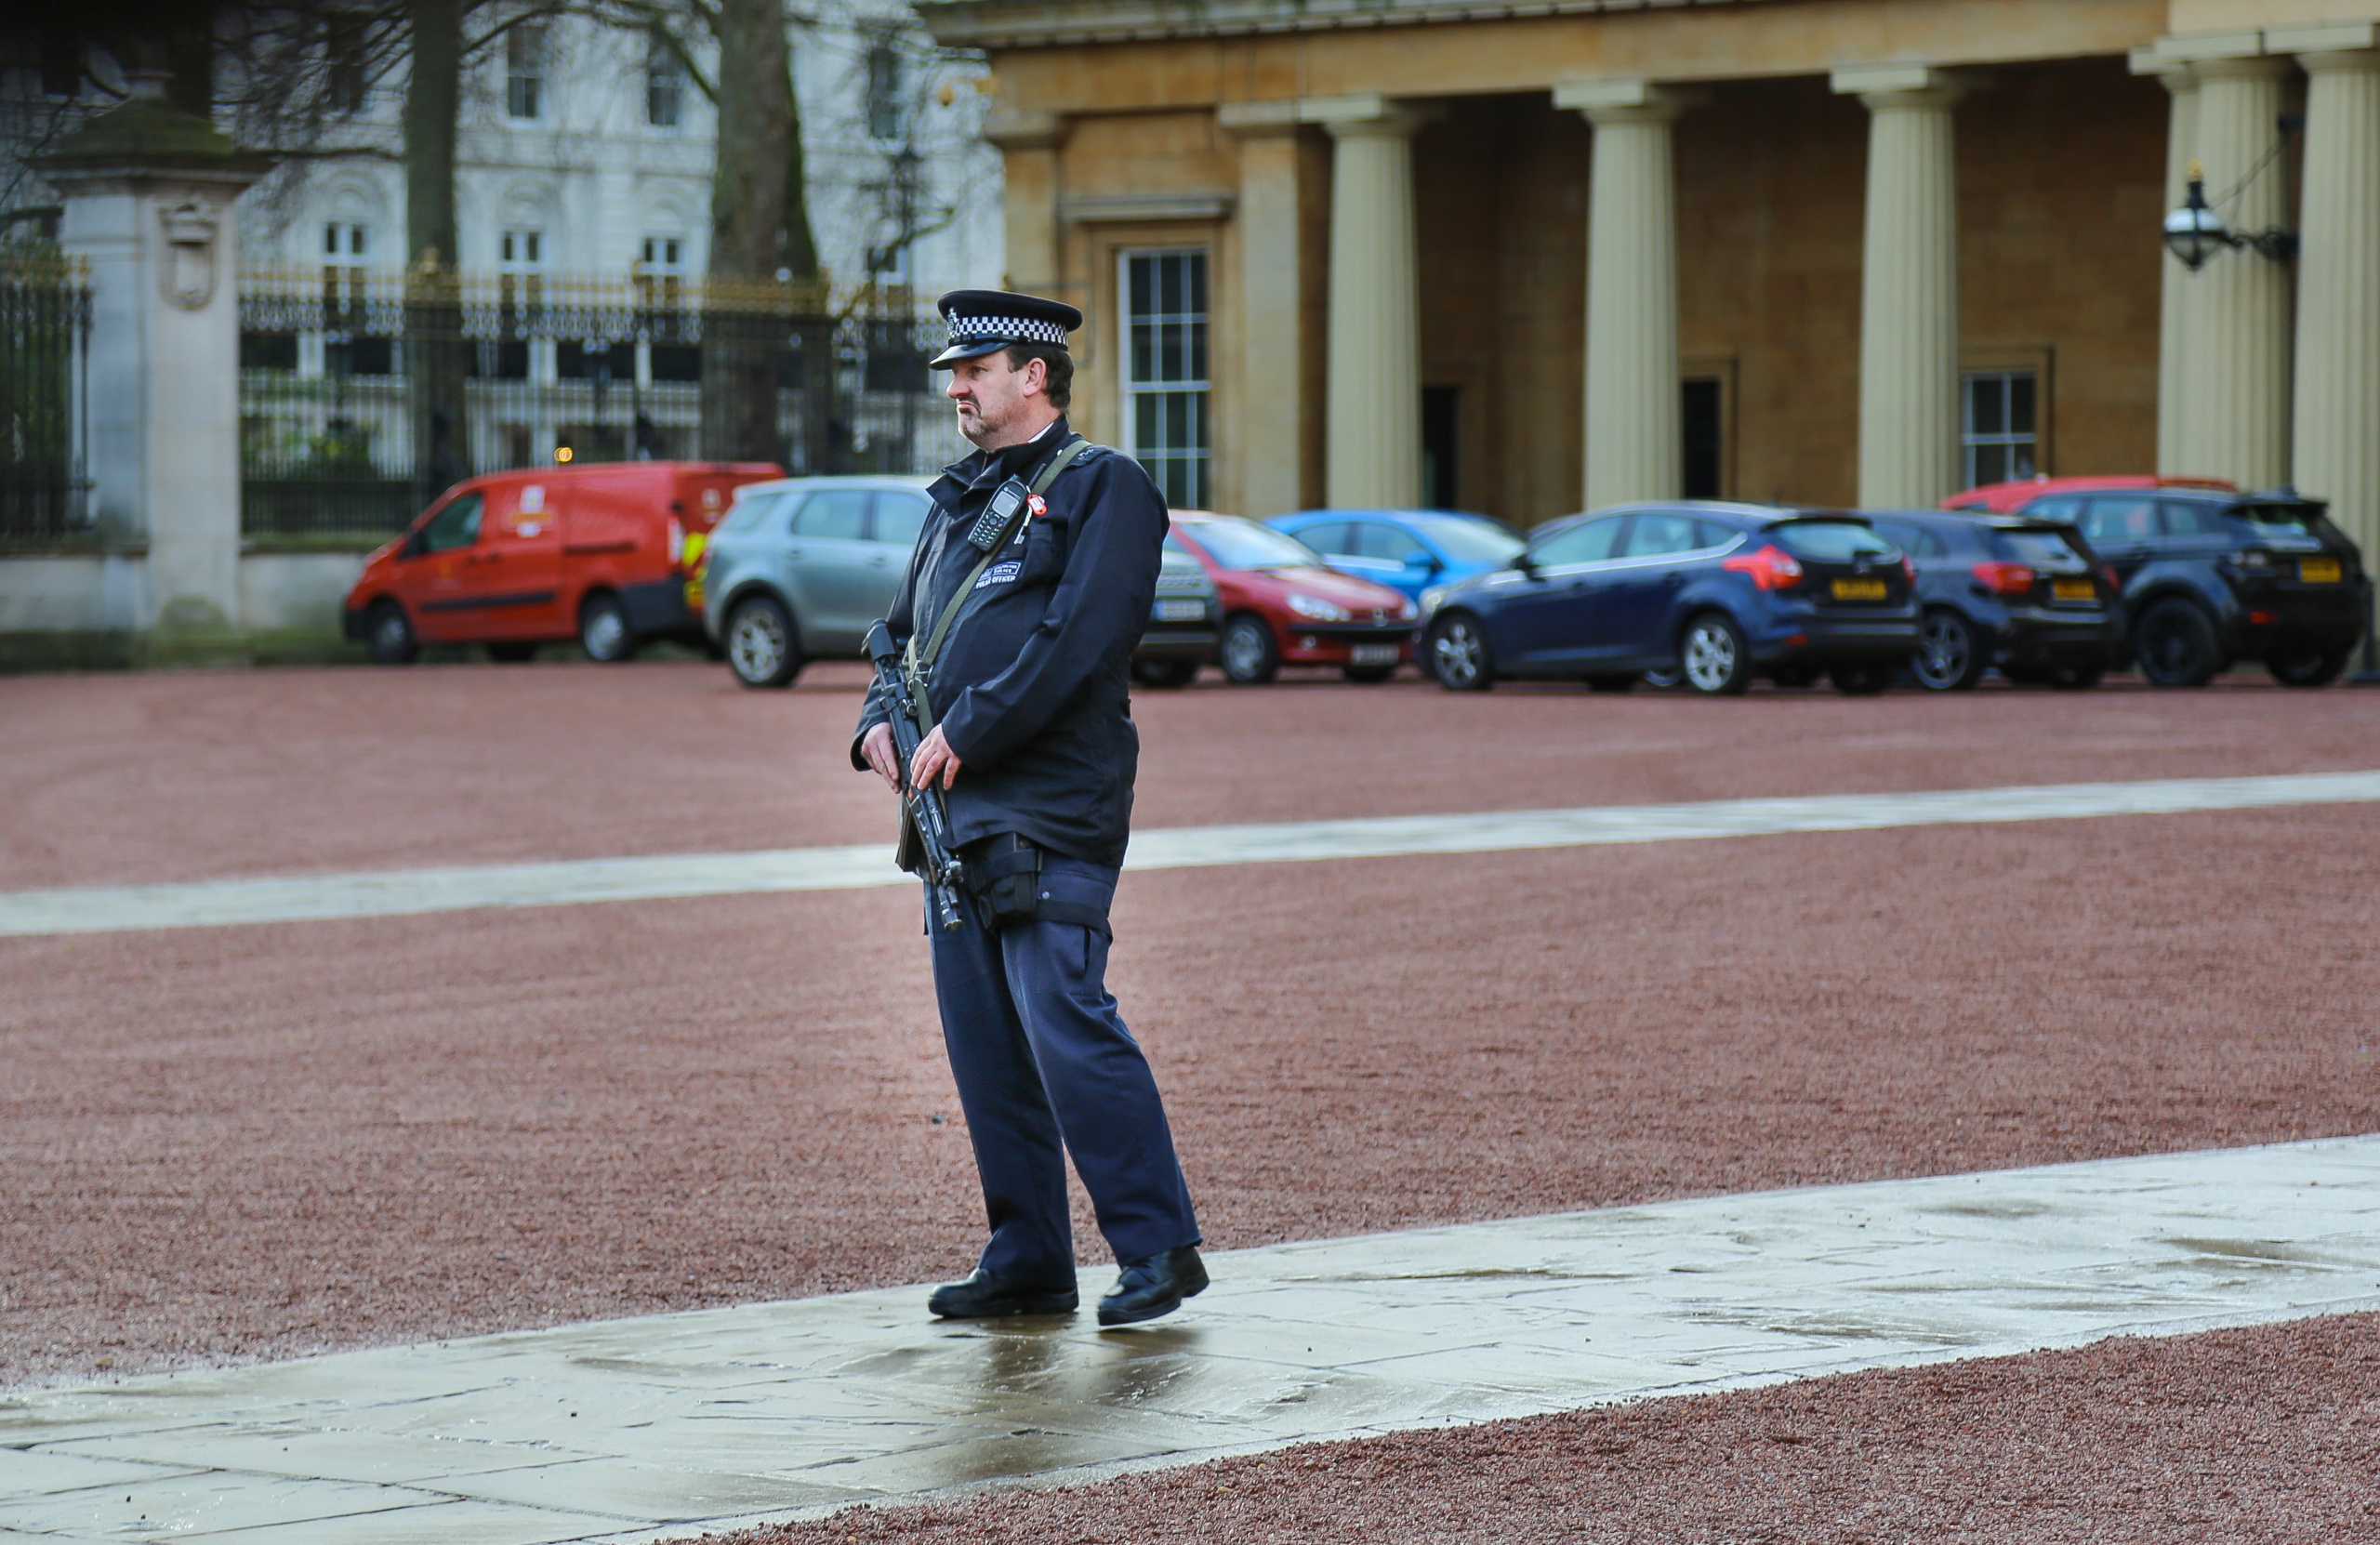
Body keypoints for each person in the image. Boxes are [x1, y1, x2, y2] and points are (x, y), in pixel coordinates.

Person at [853, 289, 1206, 1327]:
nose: (956, 388)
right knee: (985, 1043)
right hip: (950, 817)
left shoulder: (1106, 489)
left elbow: (1082, 639)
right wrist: (880, 717)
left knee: (1063, 1018)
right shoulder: (954, 501)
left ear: (1034, 375)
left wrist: (972, 726)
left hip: (1051, 804)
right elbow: (896, 640)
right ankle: (1029, 1260)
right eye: (952, 375)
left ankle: (1158, 1249)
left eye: (974, 370)